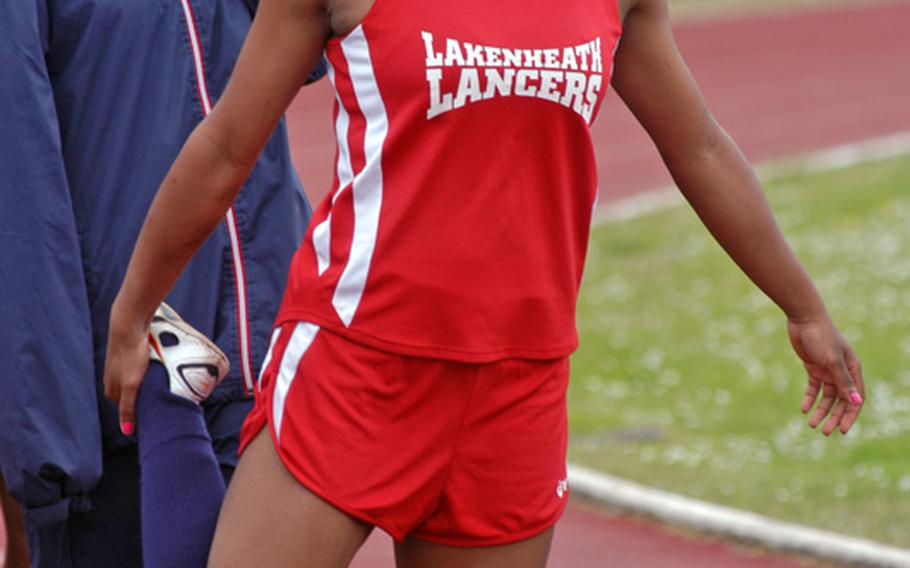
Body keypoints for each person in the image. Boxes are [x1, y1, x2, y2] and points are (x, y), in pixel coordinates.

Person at [103, 0, 867, 566]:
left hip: (516, 390)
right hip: (358, 367)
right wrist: (133, 313)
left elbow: (697, 144)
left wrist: (802, 308)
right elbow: (228, 144)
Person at [0, 1, 319, 566]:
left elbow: (313, 39)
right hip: (123, 404)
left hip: (272, 378)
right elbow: (17, 192)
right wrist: (53, 450)